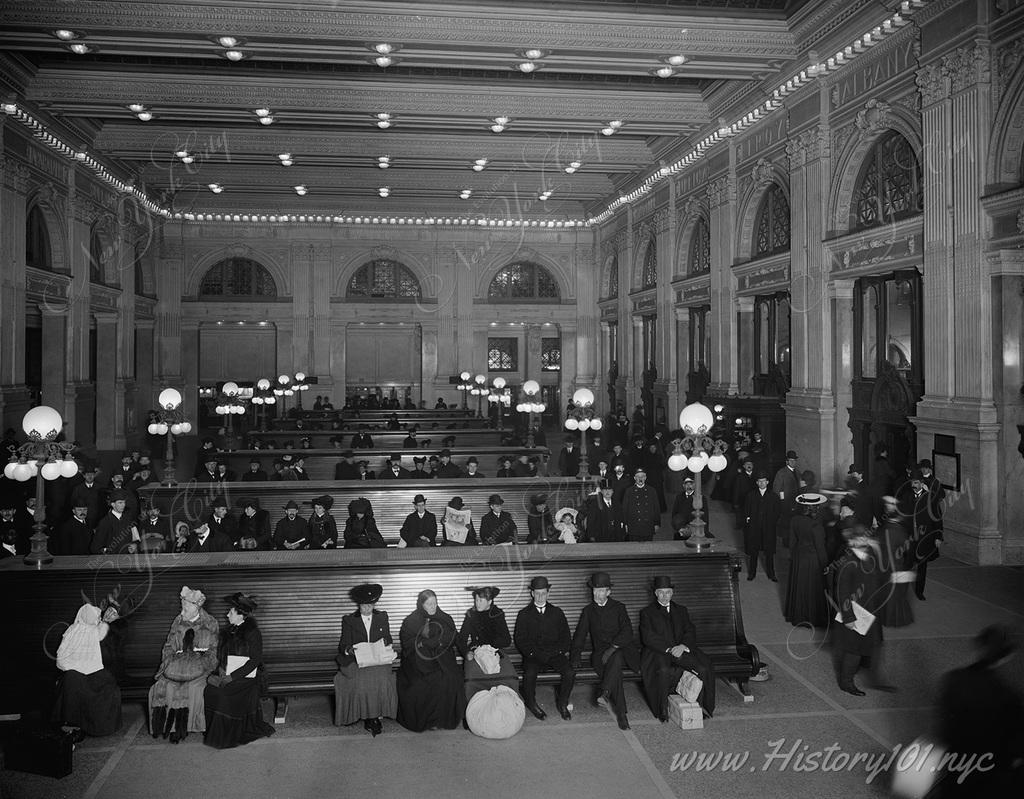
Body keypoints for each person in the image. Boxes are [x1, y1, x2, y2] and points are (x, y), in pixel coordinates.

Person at [936, 624, 1024, 797]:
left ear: (979, 645)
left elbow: (944, 727)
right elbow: (1015, 745)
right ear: (1008, 656)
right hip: (990, 771)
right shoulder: (1009, 696)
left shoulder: (954, 680)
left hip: (957, 763)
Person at [203, 592, 275, 749]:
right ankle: (214, 731)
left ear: (241, 615)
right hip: (229, 672)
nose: (227, 614)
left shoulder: (253, 633)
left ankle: (225, 735)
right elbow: (223, 655)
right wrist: (222, 670)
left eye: (231, 612)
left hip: (247, 677)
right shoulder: (229, 632)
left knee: (223, 693)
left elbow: (255, 661)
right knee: (210, 690)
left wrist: (232, 677)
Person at [639, 576, 716, 721]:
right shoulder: (647, 612)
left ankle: (701, 707)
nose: (664, 596)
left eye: (667, 592)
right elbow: (648, 637)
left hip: (681, 651)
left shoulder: (681, 610)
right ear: (655, 593)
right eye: (661, 592)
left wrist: (683, 646)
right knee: (662, 671)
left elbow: (689, 631)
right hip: (659, 652)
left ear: (672, 593)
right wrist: (668, 649)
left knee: (703, 669)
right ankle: (662, 710)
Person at [828, 526, 894, 696]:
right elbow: (842, 593)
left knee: (875, 645)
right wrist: (848, 617)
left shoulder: (869, 556)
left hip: (872, 611)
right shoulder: (847, 563)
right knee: (854, 650)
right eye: (863, 538)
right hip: (857, 614)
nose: (867, 540)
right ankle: (846, 682)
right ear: (852, 542)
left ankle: (877, 680)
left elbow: (883, 572)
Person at [148, 586, 219, 742]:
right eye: (183, 605)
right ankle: (172, 727)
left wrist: (201, 665)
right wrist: (168, 663)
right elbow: (168, 645)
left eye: (186, 606)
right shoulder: (178, 621)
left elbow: (213, 650)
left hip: (200, 666)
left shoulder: (210, 623)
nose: (183, 609)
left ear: (196, 606)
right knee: (163, 685)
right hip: (175, 664)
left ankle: (189, 726)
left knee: (194, 687)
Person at [570, 572, 640, 730]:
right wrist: (575, 657)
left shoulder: (619, 607)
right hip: (601, 654)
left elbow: (628, 632)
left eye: (601, 590)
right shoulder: (588, 611)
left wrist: (613, 646)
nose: (596, 594)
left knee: (616, 658)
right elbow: (579, 636)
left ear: (609, 592)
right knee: (614, 669)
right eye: (595, 590)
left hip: (622, 649)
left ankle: (608, 695)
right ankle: (618, 709)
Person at [396, 589, 466, 732]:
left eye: (435, 603)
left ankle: (443, 720)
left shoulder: (445, 618)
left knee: (449, 678)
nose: (433, 607)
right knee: (421, 682)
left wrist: (436, 643)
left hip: (442, 657)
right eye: (429, 604)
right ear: (421, 605)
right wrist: (424, 643)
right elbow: (407, 643)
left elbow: (452, 637)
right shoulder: (411, 621)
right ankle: (427, 721)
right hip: (417, 659)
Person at [333, 583, 398, 736]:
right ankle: (368, 716)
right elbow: (343, 645)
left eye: (370, 605)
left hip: (378, 659)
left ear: (375, 604)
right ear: (359, 605)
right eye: (364, 606)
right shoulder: (349, 620)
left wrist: (384, 644)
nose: (368, 609)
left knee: (381, 676)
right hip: (358, 660)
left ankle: (374, 716)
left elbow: (388, 638)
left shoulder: (382, 617)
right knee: (363, 677)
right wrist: (350, 650)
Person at [53, 603, 123, 739]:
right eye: (109, 611)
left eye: (114, 614)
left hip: (85, 671)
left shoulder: (74, 630)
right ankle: (84, 725)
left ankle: (88, 725)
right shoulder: (91, 629)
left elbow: (60, 659)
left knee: (106, 685)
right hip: (81, 672)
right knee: (78, 682)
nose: (108, 615)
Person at [514, 576, 575, 721]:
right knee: (529, 674)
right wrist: (535, 654)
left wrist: (554, 652)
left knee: (570, 672)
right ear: (532, 594)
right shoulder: (524, 614)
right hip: (533, 655)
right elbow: (520, 640)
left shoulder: (557, 612)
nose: (540, 596)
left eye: (543, 593)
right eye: (537, 593)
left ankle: (562, 703)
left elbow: (566, 638)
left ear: (548, 593)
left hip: (554, 654)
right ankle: (532, 703)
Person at [458, 586, 518, 701]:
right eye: (476, 600)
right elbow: (462, 639)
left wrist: (490, 646)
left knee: (510, 677)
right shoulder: (471, 614)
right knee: (471, 680)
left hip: (495, 650)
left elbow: (506, 640)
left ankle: (507, 706)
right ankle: (474, 710)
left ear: (489, 601)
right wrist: (466, 652)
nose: (477, 603)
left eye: (480, 600)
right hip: (476, 650)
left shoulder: (497, 614)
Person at [783, 493, 830, 626]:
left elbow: (792, 542)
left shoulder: (795, 520)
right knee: (812, 588)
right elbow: (820, 549)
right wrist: (824, 565)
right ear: (815, 508)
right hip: (812, 560)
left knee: (799, 586)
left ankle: (797, 616)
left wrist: (793, 557)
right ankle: (811, 618)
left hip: (798, 556)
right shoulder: (816, 526)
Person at [899, 468, 944, 601]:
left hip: (925, 537)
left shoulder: (930, 498)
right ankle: (902, 592)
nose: (914, 485)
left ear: (922, 483)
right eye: (912, 482)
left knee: (922, 566)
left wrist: (938, 536)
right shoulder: (905, 497)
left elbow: (937, 518)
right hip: (909, 537)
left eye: (917, 483)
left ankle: (919, 591)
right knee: (906, 565)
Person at [878, 494, 914, 628]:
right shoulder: (900, 530)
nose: (887, 508)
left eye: (890, 506)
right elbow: (907, 550)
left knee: (889, 595)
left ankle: (889, 618)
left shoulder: (889, 530)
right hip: (897, 566)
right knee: (896, 595)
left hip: (889, 567)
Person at [742, 472, 781, 581]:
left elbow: (778, 512)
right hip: (754, 528)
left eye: (764, 481)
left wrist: (772, 522)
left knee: (769, 552)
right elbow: (746, 511)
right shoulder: (751, 495)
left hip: (768, 528)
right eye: (759, 481)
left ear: (767, 482)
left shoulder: (773, 496)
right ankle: (752, 573)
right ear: (756, 483)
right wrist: (749, 522)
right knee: (753, 551)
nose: (762, 483)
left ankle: (771, 573)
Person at [90, 489, 140, 554]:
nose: (123, 505)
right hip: (112, 559)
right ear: (113, 504)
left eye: (124, 502)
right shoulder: (105, 522)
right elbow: (95, 547)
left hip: (127, 559)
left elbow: (136, 538)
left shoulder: (129, 520)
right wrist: (106, 551)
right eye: (120, 503)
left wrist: (135, 545)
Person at [772, 450, 803, 547]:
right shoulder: (781, 473)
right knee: (786, 523)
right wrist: (783, 501)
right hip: (786, 503)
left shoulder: (798, 472)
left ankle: (793, 540)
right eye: (791, 460)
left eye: (795, 460)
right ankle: (786, 541)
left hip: (797, 502)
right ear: (787, 462)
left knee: (795, 522)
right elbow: (777, 489)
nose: (793, 462)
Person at [622, 465, 660, 541]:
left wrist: (657, 523)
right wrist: (625, 524)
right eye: (638, 476)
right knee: (634, 549)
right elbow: (624, 509)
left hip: (648, 525)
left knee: (648, 548)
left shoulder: (651, 490)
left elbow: (656, 508)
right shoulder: (629, 491)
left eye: (642, 476)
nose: (640, 478)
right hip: (634, 526)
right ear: (634, 478)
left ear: (645, 478)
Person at [671, 475, 711, 540]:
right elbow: (674, 514)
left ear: (695, 485)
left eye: (691, 484)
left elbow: (705, 517)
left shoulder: (701, 498)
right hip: (682, 528)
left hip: (696, 529)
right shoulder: (679, 497)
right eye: (686, 484)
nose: (689, 486)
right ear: (683, 486)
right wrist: (680, 528)